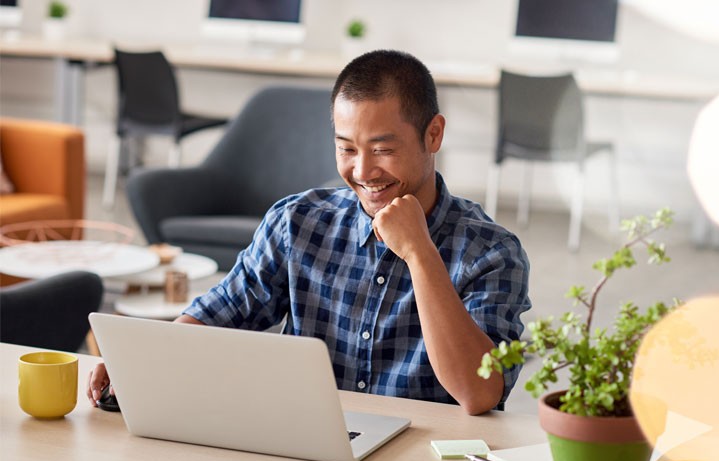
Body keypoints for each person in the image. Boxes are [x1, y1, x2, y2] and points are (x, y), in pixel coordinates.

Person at [88, 50, 531, 415]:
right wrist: (141, 359)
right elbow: (222, 311)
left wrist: (419, 253)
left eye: (383, 149)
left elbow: (479, 393)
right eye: (346, 148)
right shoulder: (298, 222)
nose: (362, 171)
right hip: (312, 453)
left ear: (433, 134)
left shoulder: (492, 253)